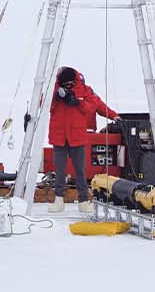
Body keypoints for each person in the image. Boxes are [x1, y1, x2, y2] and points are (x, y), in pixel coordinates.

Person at [48, 66, 117, 213]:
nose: (67, 87)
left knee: (80, 171)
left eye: (70, 84)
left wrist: (78, 102)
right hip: (59, 136)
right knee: (59, 170)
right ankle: (58, 200)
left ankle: (84, 201)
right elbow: (44, 106)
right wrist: (55, 98)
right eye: (65, 84)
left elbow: (95, 106)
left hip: (78, 136)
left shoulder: (85, 90)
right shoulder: (52, 90)